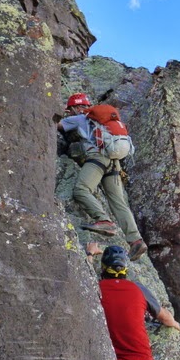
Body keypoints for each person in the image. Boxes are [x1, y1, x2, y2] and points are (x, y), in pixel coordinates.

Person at [57, 93, 147, 261]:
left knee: (81, 190)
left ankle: (103, 219)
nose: (69, 113)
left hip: (98, 159)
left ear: (76, 108)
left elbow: (58, 125)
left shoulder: (78, 118)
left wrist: (57, 112)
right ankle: (136, 240)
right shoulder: (103, 121)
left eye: (70, 109)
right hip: (114, 163)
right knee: (118, 202)